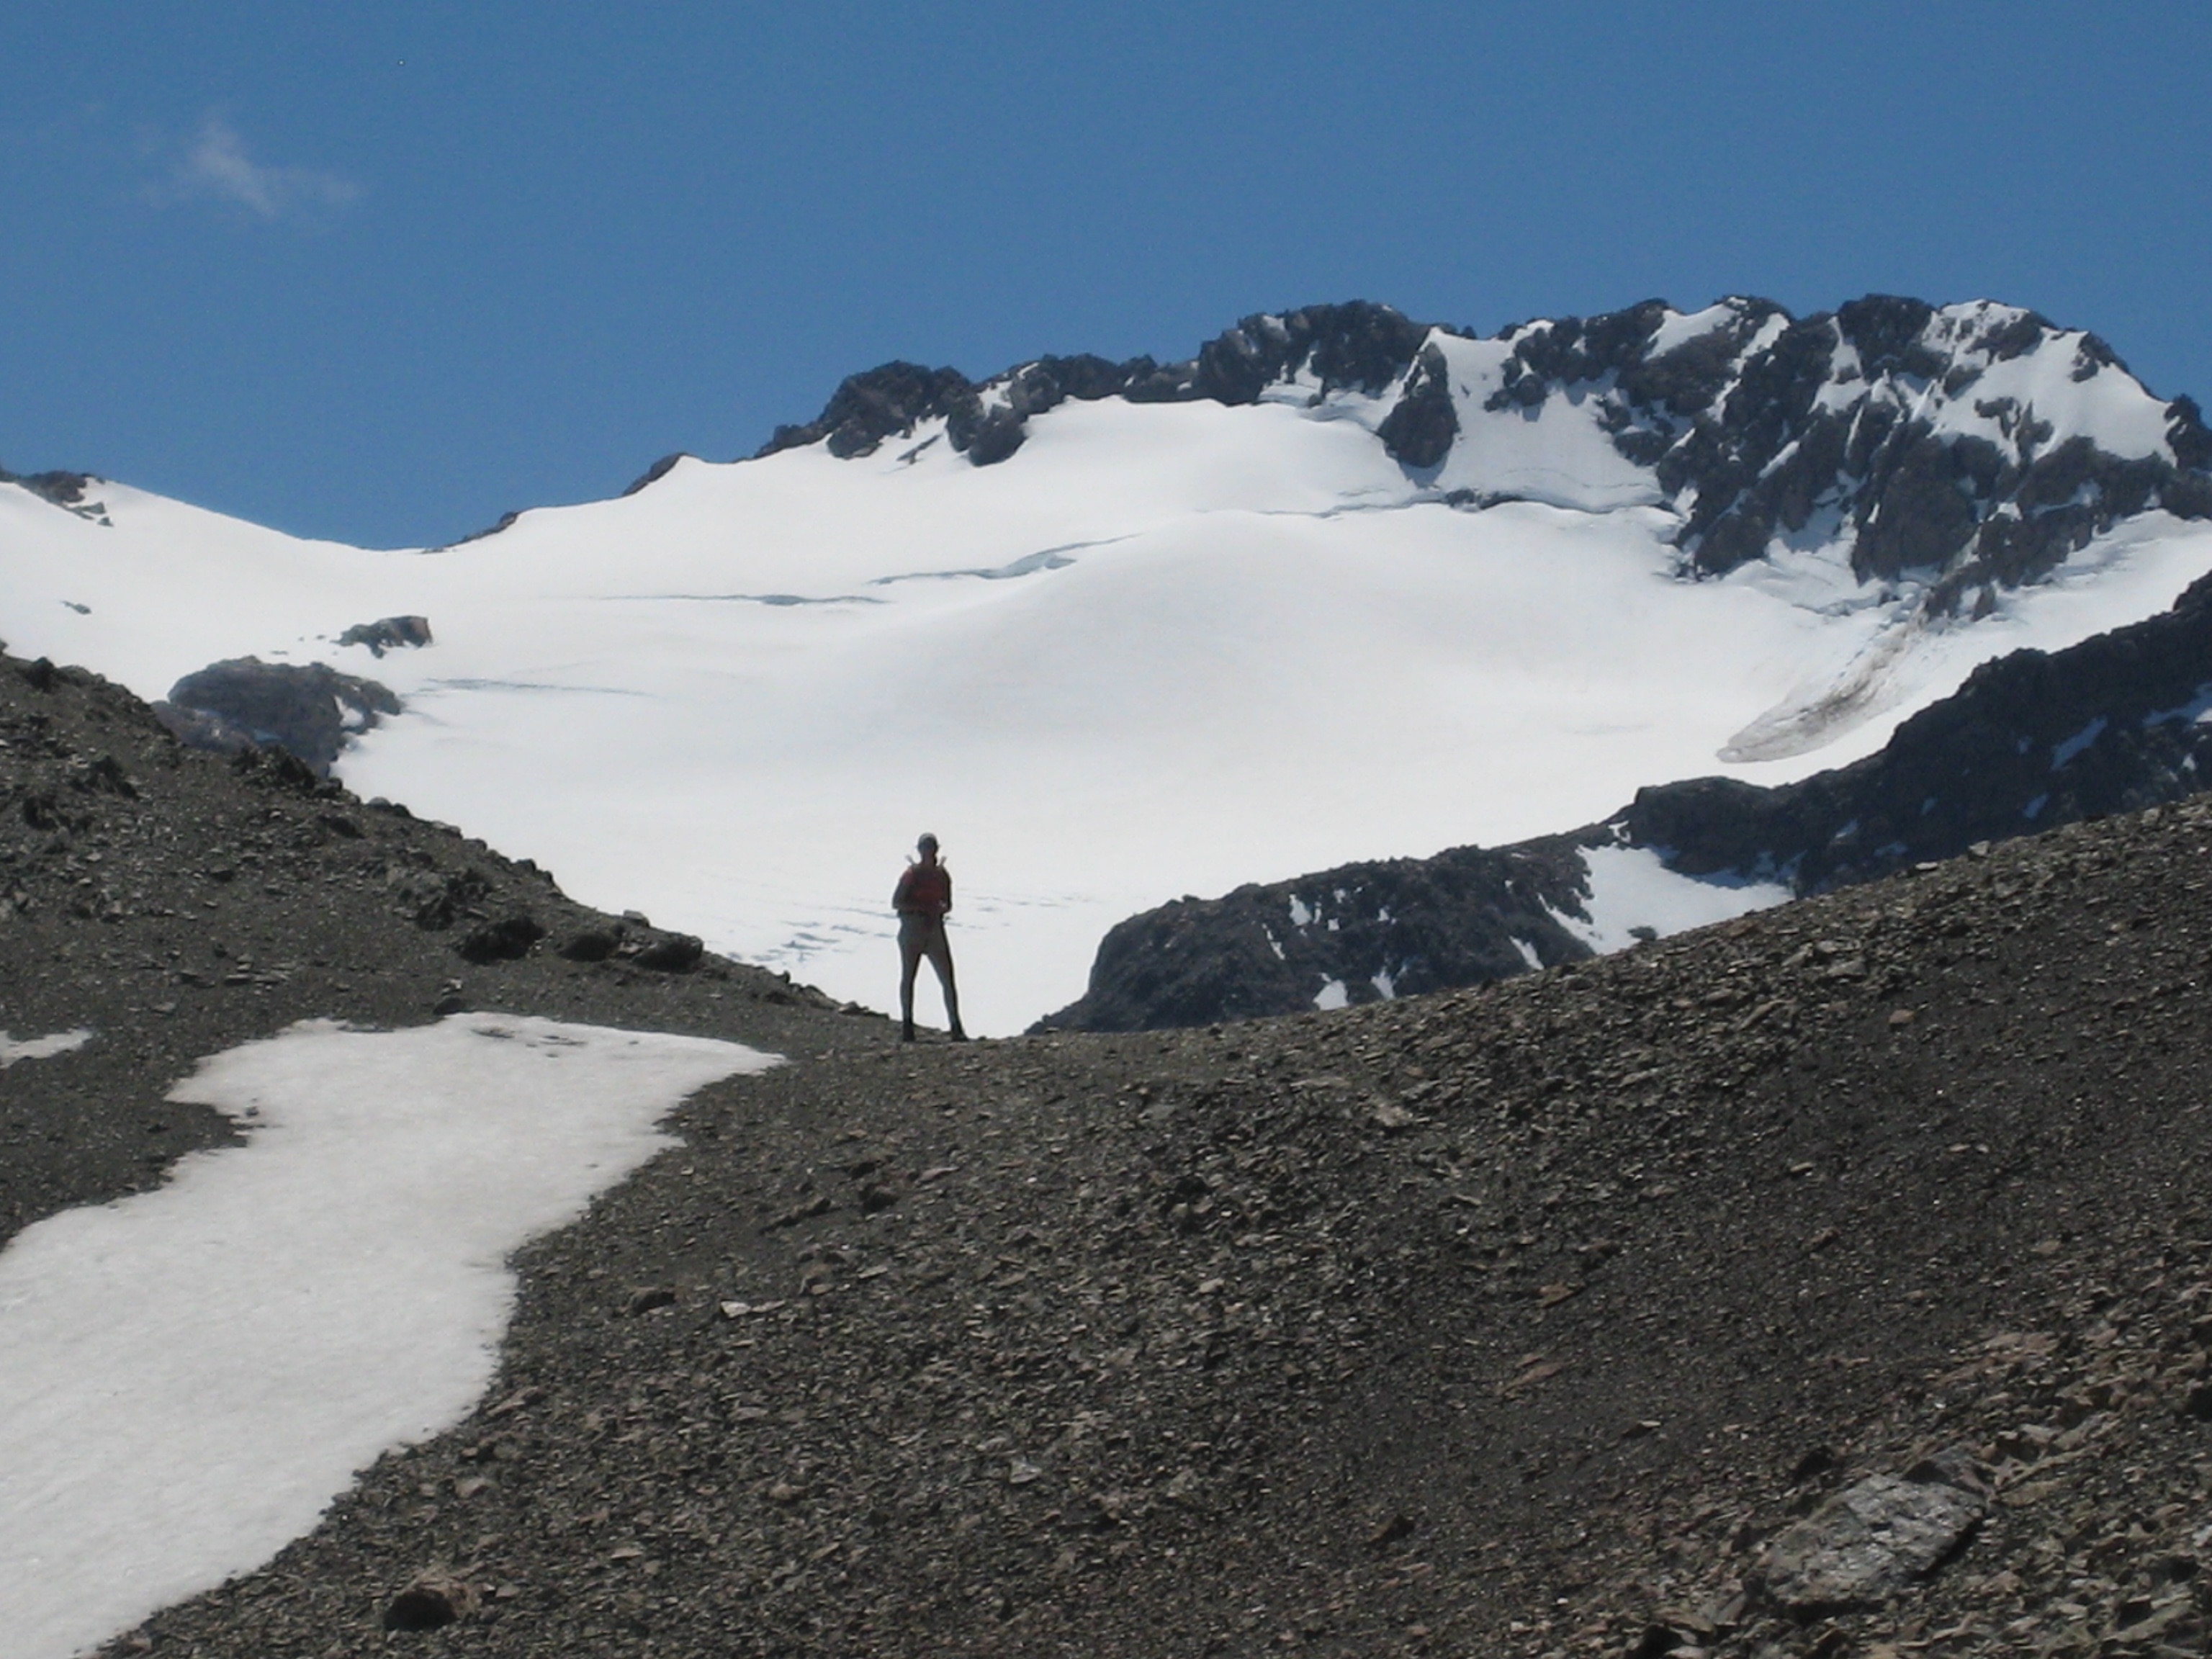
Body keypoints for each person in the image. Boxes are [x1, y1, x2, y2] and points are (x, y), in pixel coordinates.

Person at [893, 832, 965, 1042]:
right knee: (921, 978)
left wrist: (933, 909)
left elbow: (947, 904)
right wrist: (930, 908)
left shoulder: (921, 875)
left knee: (932, 978)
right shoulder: (932, 875)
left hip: (924, 927)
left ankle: (950, 1027)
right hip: (923, 927)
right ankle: (914, 1027)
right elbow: (897, 902)